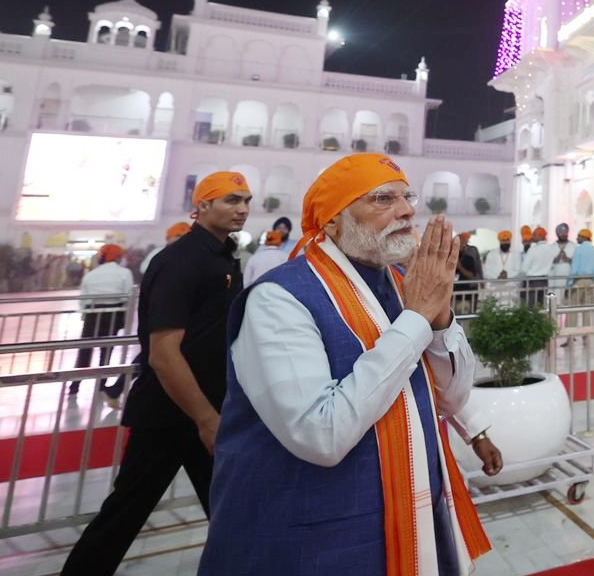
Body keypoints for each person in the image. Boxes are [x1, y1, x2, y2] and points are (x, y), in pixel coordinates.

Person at [196, 153, 495, 575]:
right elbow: (321, 434)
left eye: (407, 197)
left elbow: (449, 397)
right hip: (313, 535)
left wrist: (440, 318)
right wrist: (415, 320)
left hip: (410, 512)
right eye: (383, 199)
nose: (406, 210)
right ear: (334, 221)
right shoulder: (279, 299)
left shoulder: (401, 283)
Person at [59, 172, 250, 576]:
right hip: (171, 413)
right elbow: (164, 354)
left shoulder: (222, 256)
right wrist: (205, 418)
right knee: (125, 514)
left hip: (205, 409)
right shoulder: (181, 260)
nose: (243, 209)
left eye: (246, 200)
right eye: (232, 200)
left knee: (234, 512)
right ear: (202, 206)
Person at [70, 243, 133, 406]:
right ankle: (101, 384)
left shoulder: (91, 275)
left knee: (85, 351)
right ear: (118, 257)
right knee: (106, 351)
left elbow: (83, 298)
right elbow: (127, 296)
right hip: (113, 315)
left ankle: (75, 385)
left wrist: (85, 315)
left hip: (92, 314)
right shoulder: (124, 273)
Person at [519, 226, 554, 307]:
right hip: (544, 281)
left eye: (534, 235)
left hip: (532, 281)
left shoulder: (533, 250)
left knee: (531, 306)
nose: (532, 237)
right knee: (541, 305)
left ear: (540, 236)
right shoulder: (551, 249)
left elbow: (524, 269)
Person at [483, 230, 519, 304]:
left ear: (510, 242)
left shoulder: (516, 254)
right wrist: (497, 277)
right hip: (495, 289)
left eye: (507, 241)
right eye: (503, 241)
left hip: (510, 289)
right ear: (500, 242)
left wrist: (507, 276)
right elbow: (486, 272)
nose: (505, 243)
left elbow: (518, 271)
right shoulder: (492, 254)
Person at [454, 231, 484, 314]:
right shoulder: (451, 254)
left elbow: (475, 271)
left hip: (468, 289)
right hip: (454, 292)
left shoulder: (470, 255)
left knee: (468, 312)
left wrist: (460, 267)